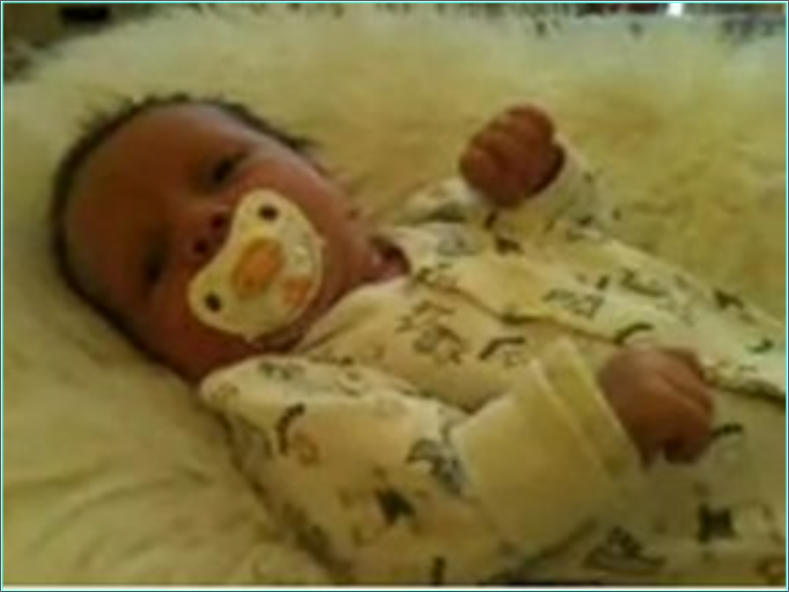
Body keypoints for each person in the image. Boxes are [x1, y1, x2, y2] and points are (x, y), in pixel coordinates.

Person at [51, 95, 785, 584]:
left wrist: (543, 183)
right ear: (164, 359)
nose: (199, 225)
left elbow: (585, 245)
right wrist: (589, 425)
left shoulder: (451, 218)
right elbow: (420, 523)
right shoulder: (284, 401)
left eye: (221, 171)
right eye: (153, 263)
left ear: (325, 179)